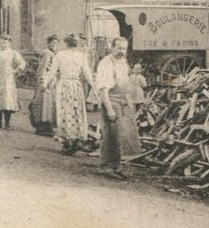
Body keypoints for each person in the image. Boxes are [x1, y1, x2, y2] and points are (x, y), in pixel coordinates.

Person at [95, 37, 142, 179]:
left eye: (124, 49)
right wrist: (109, 109)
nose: (122, 51)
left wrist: (129, 103)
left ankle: (116, 165)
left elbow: (124, 84)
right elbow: (103, 89)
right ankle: (105, 166)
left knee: (122, 135)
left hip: (123, 100)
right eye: (119, 48)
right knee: (111, 134)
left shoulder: (122, 61)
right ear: (112, 47)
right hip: (111, 100)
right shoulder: (105, 63)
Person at [52, 34, 93, 155]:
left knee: (65, 111)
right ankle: (75, 139)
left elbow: (53, 71)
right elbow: (87, 73)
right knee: (76, 111)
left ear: (66, 43)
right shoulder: (81, 55)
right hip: (76, 85)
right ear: (76, 43)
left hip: (64, 84)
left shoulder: (60, 54)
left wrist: (46, 84)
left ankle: (69, 140)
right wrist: (94, 87)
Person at [0, 34, 25, 129]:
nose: (3, 45)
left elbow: (22, 63)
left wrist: (15, 71)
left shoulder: (12, 53)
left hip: (8, 78)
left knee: (7, 98)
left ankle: (7, 123)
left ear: (9, 43)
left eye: (5, 43)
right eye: (0, 42)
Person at [29, 35, 59, 135]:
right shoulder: (47, 53)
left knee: (49, 104)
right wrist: (43, 82)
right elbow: (42, 68)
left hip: (50, 80)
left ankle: (46, 127)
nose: (55, 45)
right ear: (48, 43)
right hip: (45, 80)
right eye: (53, 43)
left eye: (56, 43)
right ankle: (42, 127)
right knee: (43, 104)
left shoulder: (52, 53)